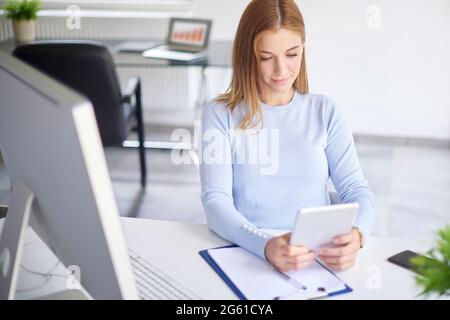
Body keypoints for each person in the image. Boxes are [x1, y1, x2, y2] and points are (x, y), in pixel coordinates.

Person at [199, 0, 375, 272]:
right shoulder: (220, 114)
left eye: (292, 54)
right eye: (266, 57)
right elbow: (215, 202)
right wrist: (265, 245)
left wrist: (358, 235)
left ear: (303, 49)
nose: (281, 70)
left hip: (316, 262)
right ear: (248, 55)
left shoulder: (324, 111)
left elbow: (356, 190)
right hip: (249, 255)